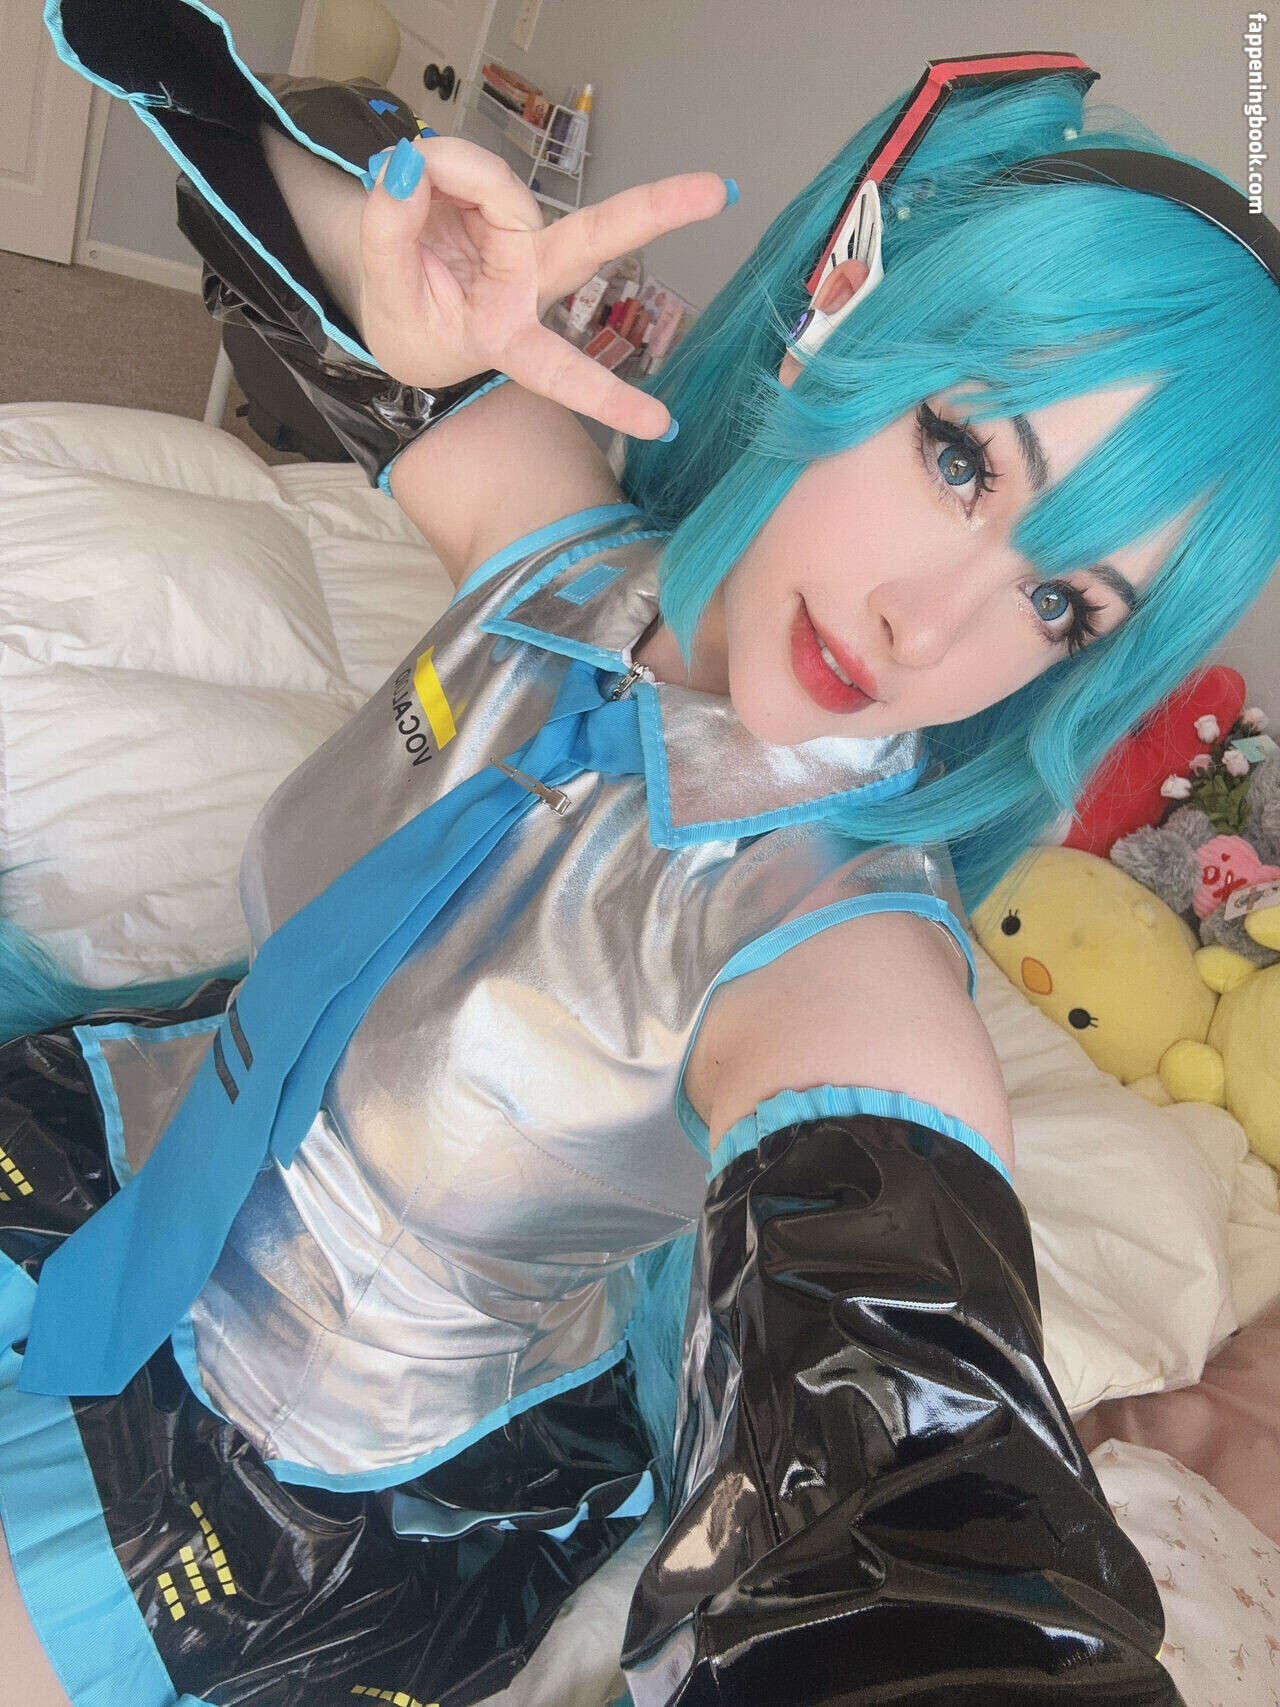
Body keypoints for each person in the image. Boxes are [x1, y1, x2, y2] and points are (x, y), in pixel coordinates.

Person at [1, 5, 1277, 1704]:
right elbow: (219, 124)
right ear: (844, 322)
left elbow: (919, 1482)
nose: (931, 624)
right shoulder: (565, 562)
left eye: (1059, 601)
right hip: (117, 1144)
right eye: (961, 457)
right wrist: (386, 232)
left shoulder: (848, 955)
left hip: (298, 1485)